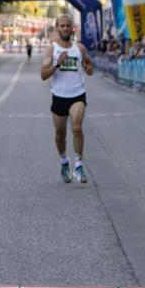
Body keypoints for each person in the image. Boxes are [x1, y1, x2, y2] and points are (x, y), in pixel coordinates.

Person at [40, 15, 94, 183]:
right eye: (62, 25)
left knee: (77, 128)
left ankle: (78, 166)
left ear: (73, 28)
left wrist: (88, 67)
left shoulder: (80, 48)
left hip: (77, 95)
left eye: (68, 25)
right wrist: (57, 63)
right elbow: (43, 75)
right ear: (57, 28)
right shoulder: (52, 49)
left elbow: (90, 67)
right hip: (59, 97)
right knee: (60, 134)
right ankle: (64, 161)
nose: (65, 28)